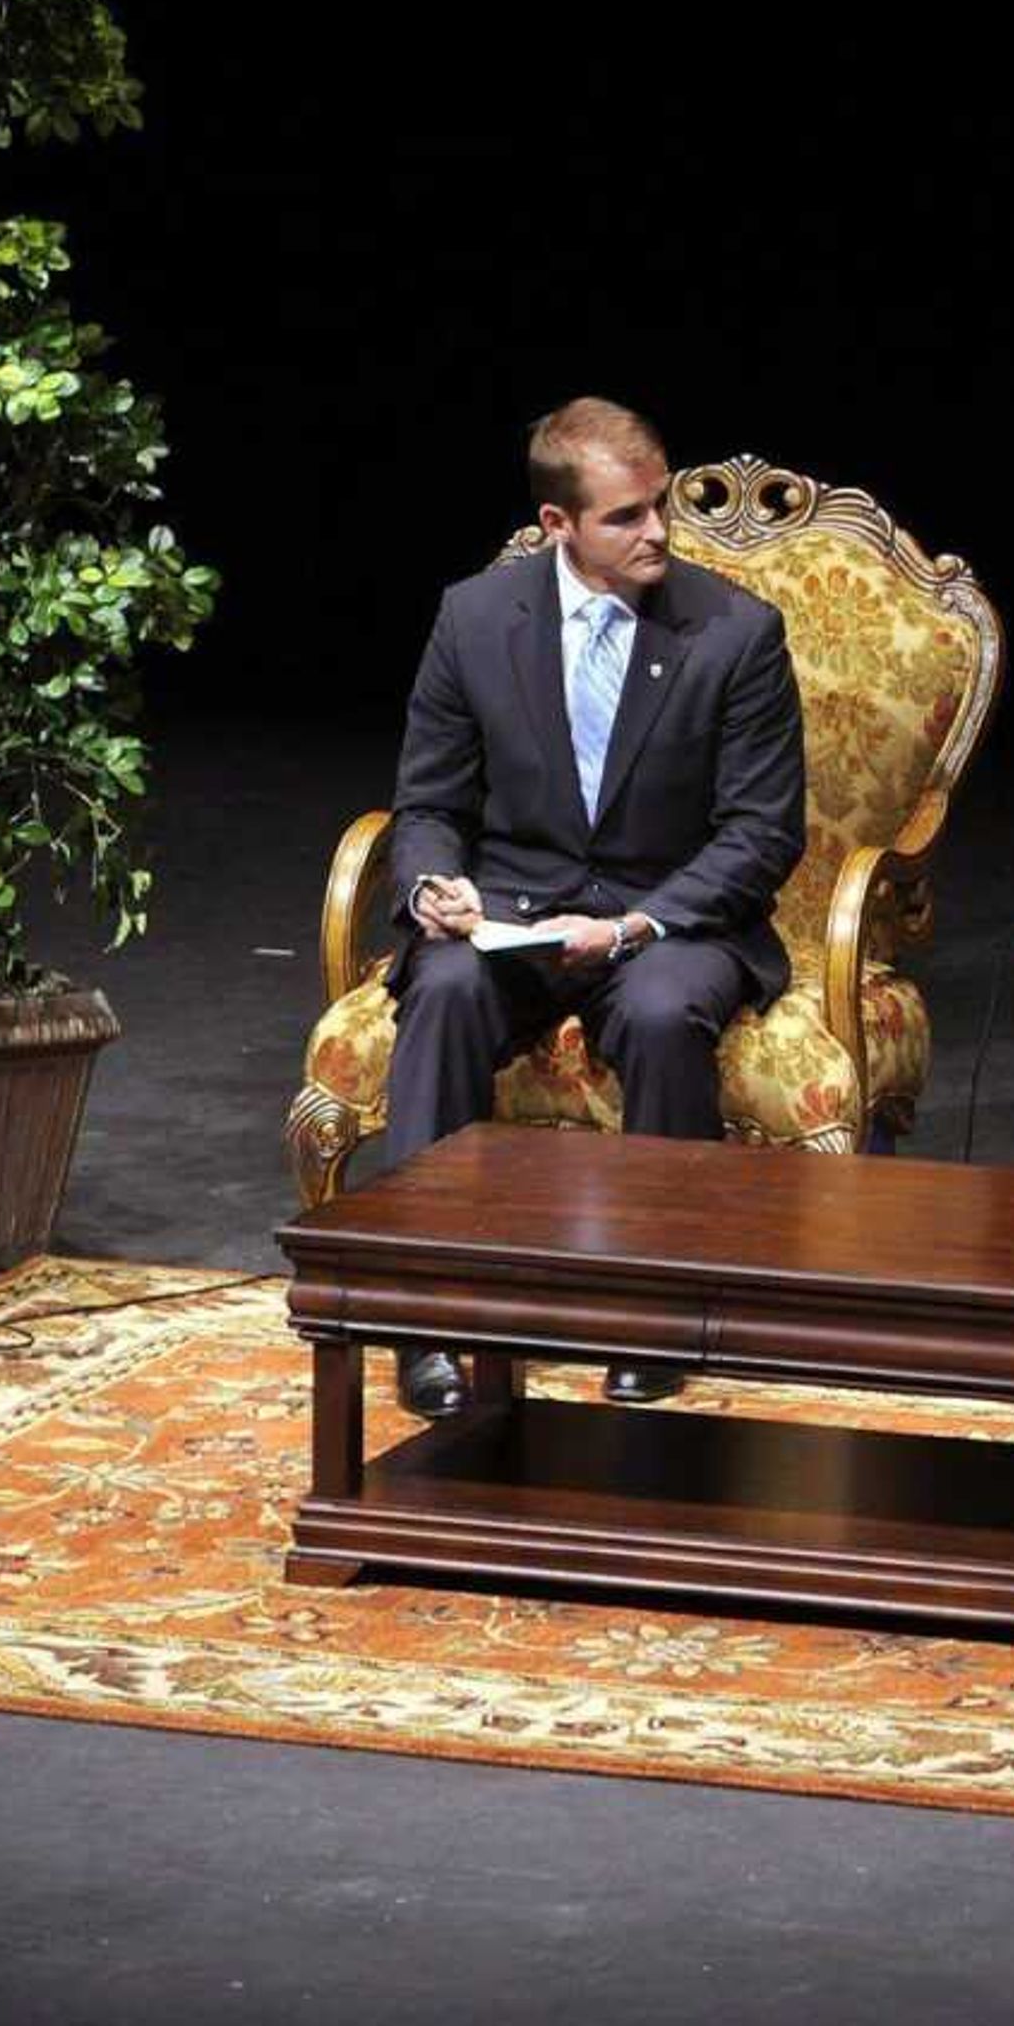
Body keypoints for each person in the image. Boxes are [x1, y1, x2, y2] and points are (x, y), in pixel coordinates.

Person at [379, 398, 809, 1415]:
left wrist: (631, 925)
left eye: (658, 506)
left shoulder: (734, 631)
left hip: (669, 914)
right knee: (439, 986)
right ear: (557, 525)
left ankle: (655, 1311)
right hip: (519, 909)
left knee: (662, 1011)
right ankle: (425, 1315)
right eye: (626, 516)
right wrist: (434, 883)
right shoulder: (475, 617)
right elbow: (430, 801)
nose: (657, 530)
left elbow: (760, 833)